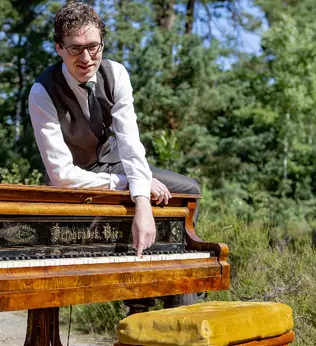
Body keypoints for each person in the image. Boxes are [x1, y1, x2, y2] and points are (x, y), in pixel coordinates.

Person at [28, 1, 202, 307]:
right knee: (139, 189)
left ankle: (175, 291)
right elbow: (61, 175)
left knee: (187, 191)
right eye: (75, 49)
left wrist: (142, 202)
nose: (86, 58)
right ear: (59, 48)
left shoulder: (117, 74)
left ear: (102, 43)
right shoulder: (41, 92)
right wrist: (128, 185)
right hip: (75, 181)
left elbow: (130, 143)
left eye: (93, 47)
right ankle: (149, 294)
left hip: (113, 162)